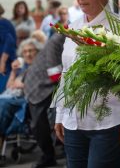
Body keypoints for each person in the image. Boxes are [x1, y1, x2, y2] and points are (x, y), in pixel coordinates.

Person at [53, 0, 120, 168]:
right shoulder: (74, 25)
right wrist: (60, 114)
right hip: (73, 122)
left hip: (109, 122)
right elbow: (66, 72)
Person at [23, 33, 65, 168]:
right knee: (38, 125)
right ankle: (48, 156)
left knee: (62, 118)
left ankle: (66, 153)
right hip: (38, 88)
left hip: (51, 85)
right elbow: (54, 73)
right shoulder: (56, 41)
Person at [0, 38, 43, 155]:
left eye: (31, 51)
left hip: (28, 100)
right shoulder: (22, 67)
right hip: (12, 98)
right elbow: (9, 87)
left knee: (3, 104)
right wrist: (13, 72)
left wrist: (23, 85)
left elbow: (41, 85)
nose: (28, 54)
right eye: (25, 52)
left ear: (37, 51)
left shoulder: (40, 66)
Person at [0, 4, 17, 93]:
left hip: (6, 63)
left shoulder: (3, 23)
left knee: (2, 90)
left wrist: (2, 62)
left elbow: (9, 41)